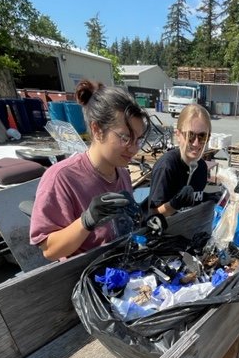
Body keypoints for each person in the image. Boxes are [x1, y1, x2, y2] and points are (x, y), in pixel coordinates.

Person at [30, 80, 150, 260]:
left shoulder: (122, 173)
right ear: (97, 130)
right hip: (85, 276)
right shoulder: (62, 178)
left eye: (138, 139)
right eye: (125, 138)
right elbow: (49, 250)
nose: (134, 149)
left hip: (121, 268)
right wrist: (87, 221)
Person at [147, 103, 217, 217]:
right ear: (178, 135)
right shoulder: (166, 167)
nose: (196, 143)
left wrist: (208, 197)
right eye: (190, 135)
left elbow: (195, 199)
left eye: (202, 136)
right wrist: (174, 204)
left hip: (189, 227)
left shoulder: (201, 167)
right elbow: (152, 215)